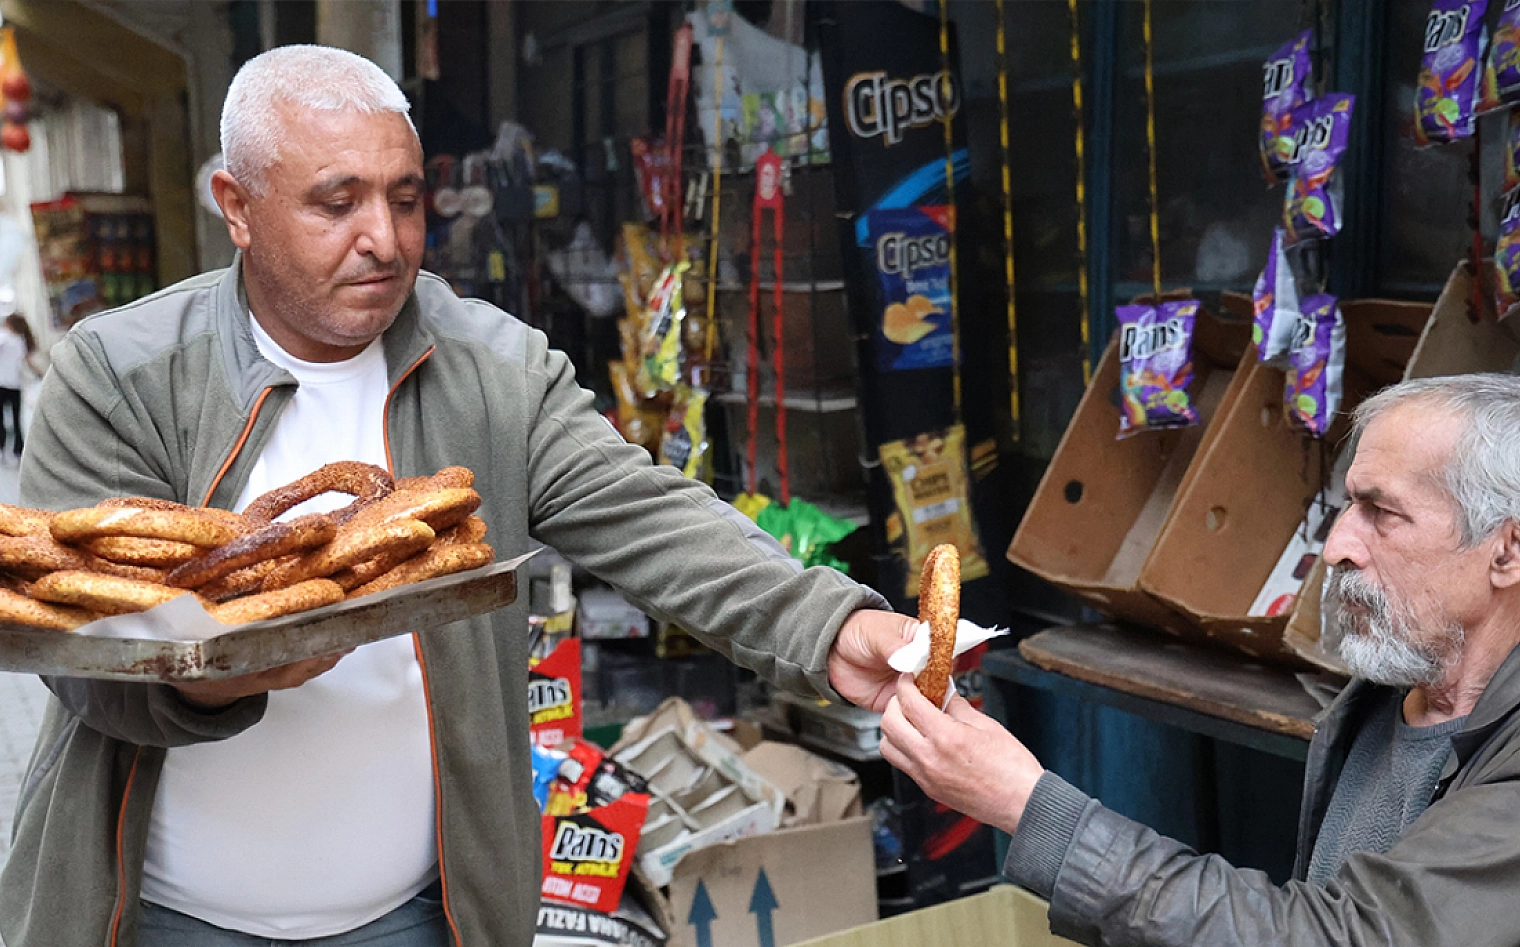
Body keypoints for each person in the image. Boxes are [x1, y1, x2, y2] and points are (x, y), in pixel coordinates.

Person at [0, 46, 913, 947]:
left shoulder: (495, 370)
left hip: (424, 917)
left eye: (405, 199)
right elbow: (77, 655)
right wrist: (206, 685)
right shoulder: (120, 373)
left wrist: (829, 625)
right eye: (338, 203)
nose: (385, 239)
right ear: (237, 207)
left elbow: (651, 515)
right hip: (163, 917)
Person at [882, 373, 1520, 946]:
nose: (1337, 546)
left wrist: (1030, 807)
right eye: (1346, 506)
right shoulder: (1382, 700)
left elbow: (1350, 936)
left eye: (1381, 513)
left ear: (1510, 550)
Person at [0, 312, 31, 463]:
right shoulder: (21, 340)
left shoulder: (4, 338)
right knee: (17, 419)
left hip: (2, 384)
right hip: (16, 385)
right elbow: (24, 361)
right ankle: (18, 450)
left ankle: (1, 448)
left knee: (1, 420)